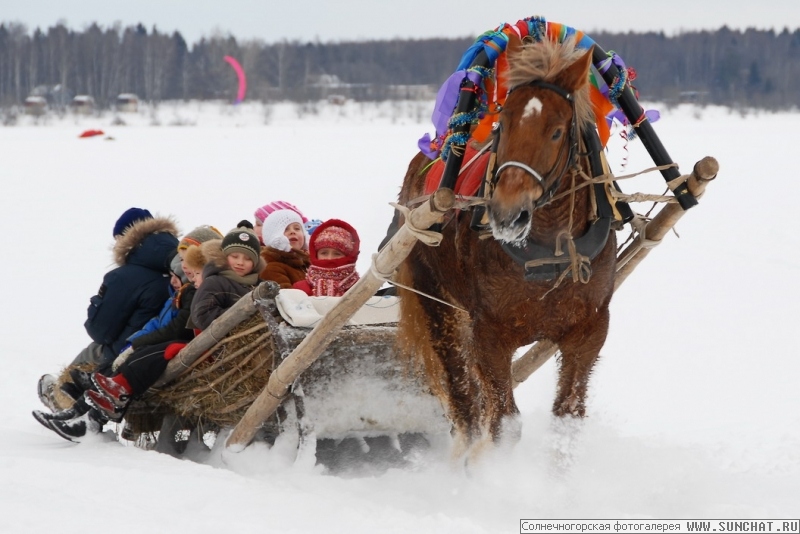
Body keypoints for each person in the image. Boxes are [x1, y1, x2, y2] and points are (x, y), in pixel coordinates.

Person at [42, 227, 266, 435]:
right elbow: (200, 316)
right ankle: (84, 411)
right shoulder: (215, 281)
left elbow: (192, 319)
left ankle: (103, 401)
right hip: (205, 340)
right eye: (235, 256)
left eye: (247, 258)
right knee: (144, 355)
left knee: (156, 353)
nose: (240, 262)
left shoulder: (244, 285)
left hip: (208, 345)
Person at [37, 208, 179, 412]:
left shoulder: (124, 276)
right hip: (164, 348)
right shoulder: (179, 264)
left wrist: (97, 303)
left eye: (117, 239)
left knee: (94, 350)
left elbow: (101, 331)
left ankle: (63, 400)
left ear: (127, 238)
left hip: (130, 352)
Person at [293, 219, 360, 297]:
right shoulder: (299, 289)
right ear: (315, 254)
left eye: (337, 253)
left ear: (348, 256)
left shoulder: (362, 288)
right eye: (324, 253)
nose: (329, 258)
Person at [259, 209, 311, 288]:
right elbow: (286, 298)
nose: (293, 232)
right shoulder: (272, 268)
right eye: (285, 229)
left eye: (297, 228)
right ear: (273, 235)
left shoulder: (309, 264)